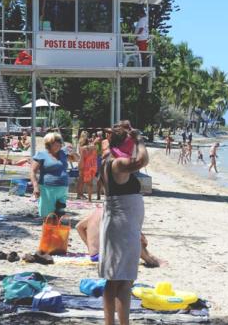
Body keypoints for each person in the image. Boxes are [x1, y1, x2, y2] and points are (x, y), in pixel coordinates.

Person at [100, 126, 148, 325]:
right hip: (122, 228)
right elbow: (143, 160)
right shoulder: (117, 163)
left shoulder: (109, 160)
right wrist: (140, 139)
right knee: (124, 281)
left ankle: (111, 323)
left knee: (115, 280)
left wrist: (139, 230)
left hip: (124, 226)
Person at [76, 208, 161, 267]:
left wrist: (89, 246)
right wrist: (142, 239)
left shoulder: (96, 213)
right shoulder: (115, 213)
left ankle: (149, 258)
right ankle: (149, 259)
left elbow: (78, 227)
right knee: (132, 239)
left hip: (95, 256)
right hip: (108, 256)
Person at [31, 133, 79, 218]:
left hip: (63, 188)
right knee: (48, 215)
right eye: (56, 143)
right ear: (49, 144)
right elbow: (32, 172)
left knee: (59, 214)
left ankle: (55, 230)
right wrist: (35, 187)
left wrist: (73, 152)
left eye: (60, 143)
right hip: (47, 188)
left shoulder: (62, 153)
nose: (59, 145)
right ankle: (48, 230)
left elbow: (77, 159)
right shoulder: (41, 155)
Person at [77, 132, 98, 201]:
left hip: (82, 162)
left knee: (81, 179)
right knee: (82, 180)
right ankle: (80, 194)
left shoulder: (81, 143)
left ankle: (79, 194)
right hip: (85, 163)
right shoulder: (84, 145)